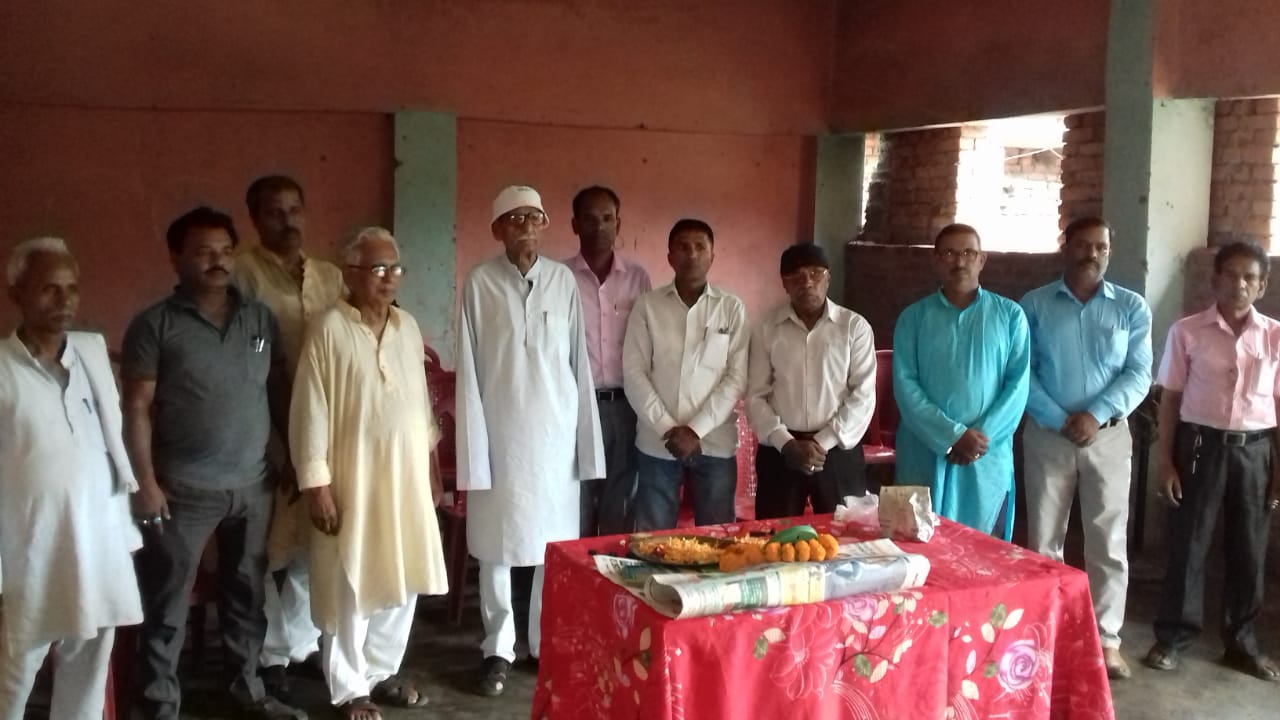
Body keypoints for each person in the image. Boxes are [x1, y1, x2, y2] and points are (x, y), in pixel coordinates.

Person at [122, 207, 304, 719]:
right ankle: (159, 704)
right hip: (182, 490)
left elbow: (278, 389)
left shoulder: (258, 319)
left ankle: (247, 690)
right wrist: (145, 483)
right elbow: (135, 407)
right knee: (167, 602)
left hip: (254, 484)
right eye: (203, 252)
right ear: (175, 257)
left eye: (225, 251)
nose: (218, 262)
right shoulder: (154, 325)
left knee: (247, 594)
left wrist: (292, 455)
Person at [291, 227, 447, 718]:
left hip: (405, 477)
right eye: (378, 269)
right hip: (351, 478)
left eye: (395, 268)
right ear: (351, 274)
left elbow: (420, 405)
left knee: (403, 572)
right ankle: (349, 688)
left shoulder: (407, 327)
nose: (388, 278)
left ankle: (380, 672)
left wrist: (432, 467)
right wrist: (317, 485)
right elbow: (310, 411)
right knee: (349, 579)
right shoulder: (329, 328)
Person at [456, 185, 605, 697]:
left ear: (545, 225)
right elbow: (469, 370)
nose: (525, 227)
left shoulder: (562, 281)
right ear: (497, 229)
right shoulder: (479, 283)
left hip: (554, 438)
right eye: (514, 219)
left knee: (551, 547)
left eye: (533, 218)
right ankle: (498, 648)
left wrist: (585, 445)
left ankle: (543, 644)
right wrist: (473, 448)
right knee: (496, 546)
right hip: (499, 436)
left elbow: (579, 365)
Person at [0, 238, 143, 720]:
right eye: (49, 289)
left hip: (97, 537)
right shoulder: (1, 368)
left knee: (91, 657)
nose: (64, 301)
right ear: (16, 293)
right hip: (32, 545)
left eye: (72, 289)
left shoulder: (89, 353)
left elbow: (110, 445)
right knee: (16, 668)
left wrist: (124, 531)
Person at [1020, 217, 1152, 679]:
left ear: (1109, 251)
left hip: (1108, 436)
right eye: (1082, 245)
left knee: (1107, 539)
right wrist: (1060, 418)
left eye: (1101, 247)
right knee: (1043, 539)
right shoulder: (1034, 304)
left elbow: (1139, 373)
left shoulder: (1131, 307)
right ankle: (1046, 633)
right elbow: (1023, 371)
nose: (1092, 254)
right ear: (1066, 248)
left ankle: (1107, 640)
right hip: (1048, 434)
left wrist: (1095, 414)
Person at [1143, 241, 1280, 683]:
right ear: (1215, 279)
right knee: (1189, 544)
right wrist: (1166, 462)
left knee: (1249, 549)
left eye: (1249, 277)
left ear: (1262, 286)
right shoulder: (1187, 332)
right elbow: (1170, 400)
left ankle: (1242, 643)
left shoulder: (1275, 336)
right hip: (1200, 447)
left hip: (1256, 452)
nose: (1239, 284)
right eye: (1231, 275)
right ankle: (1173, 638)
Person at [235, 175, 345, 696]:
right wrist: (282, 448)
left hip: (322, 430)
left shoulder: (329, 276)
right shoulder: (242, 276)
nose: (288, 221)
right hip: (265, 431)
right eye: (275, 212)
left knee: (310, 542)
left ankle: (297, 645)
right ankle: (270, 652)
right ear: (255, 219)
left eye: (295, 209)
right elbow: (249, 362)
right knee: (261, 549)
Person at [892, 223, 1029, 540]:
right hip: (923, 452)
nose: (959, 261)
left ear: (982, 259)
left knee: (983, 553)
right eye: (949, 253)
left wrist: (978, 439)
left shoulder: (1010, 316)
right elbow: (905, 386)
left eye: (968, 252)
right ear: (935, 260)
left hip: (985, 458)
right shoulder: (913, 318)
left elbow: (1017, 387)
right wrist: (952, 435)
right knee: (918, 550)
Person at [623, 219, 748, 530]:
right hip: (657, 443)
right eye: (683, 247)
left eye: (700, 247)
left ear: (712, 256)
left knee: (718, 537)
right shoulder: (648, 306)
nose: (692, 254)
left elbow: (736, 377)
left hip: (715, 442)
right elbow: (634, 373)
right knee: (654, 539)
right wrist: (668, 429)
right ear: (669, 256)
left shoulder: (731, 308)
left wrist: (695, 430)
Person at [747, 243, 876, 519]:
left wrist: (822, 443)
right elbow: (756, 395)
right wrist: (786, 443)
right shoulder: (766, 328)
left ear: (828, 278)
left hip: (837, 451)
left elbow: (863, 395)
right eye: (795, 276)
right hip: (781, 452)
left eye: (815, 274)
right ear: (784, 284)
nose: (806, 282)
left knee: (844, 536)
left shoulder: (854, 327)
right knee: (774, 536)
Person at [565, 185, 652, 536]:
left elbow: (649, 341)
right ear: (575, 225)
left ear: (619, 224)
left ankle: (611, 566)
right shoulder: (559, 278)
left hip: (625, 406)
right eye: (589, 219)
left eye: (607, 218)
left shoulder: (638, 278)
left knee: (621, 498)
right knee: (576, 496)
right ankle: (576, 564)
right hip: (575, 406)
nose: (598, 226)